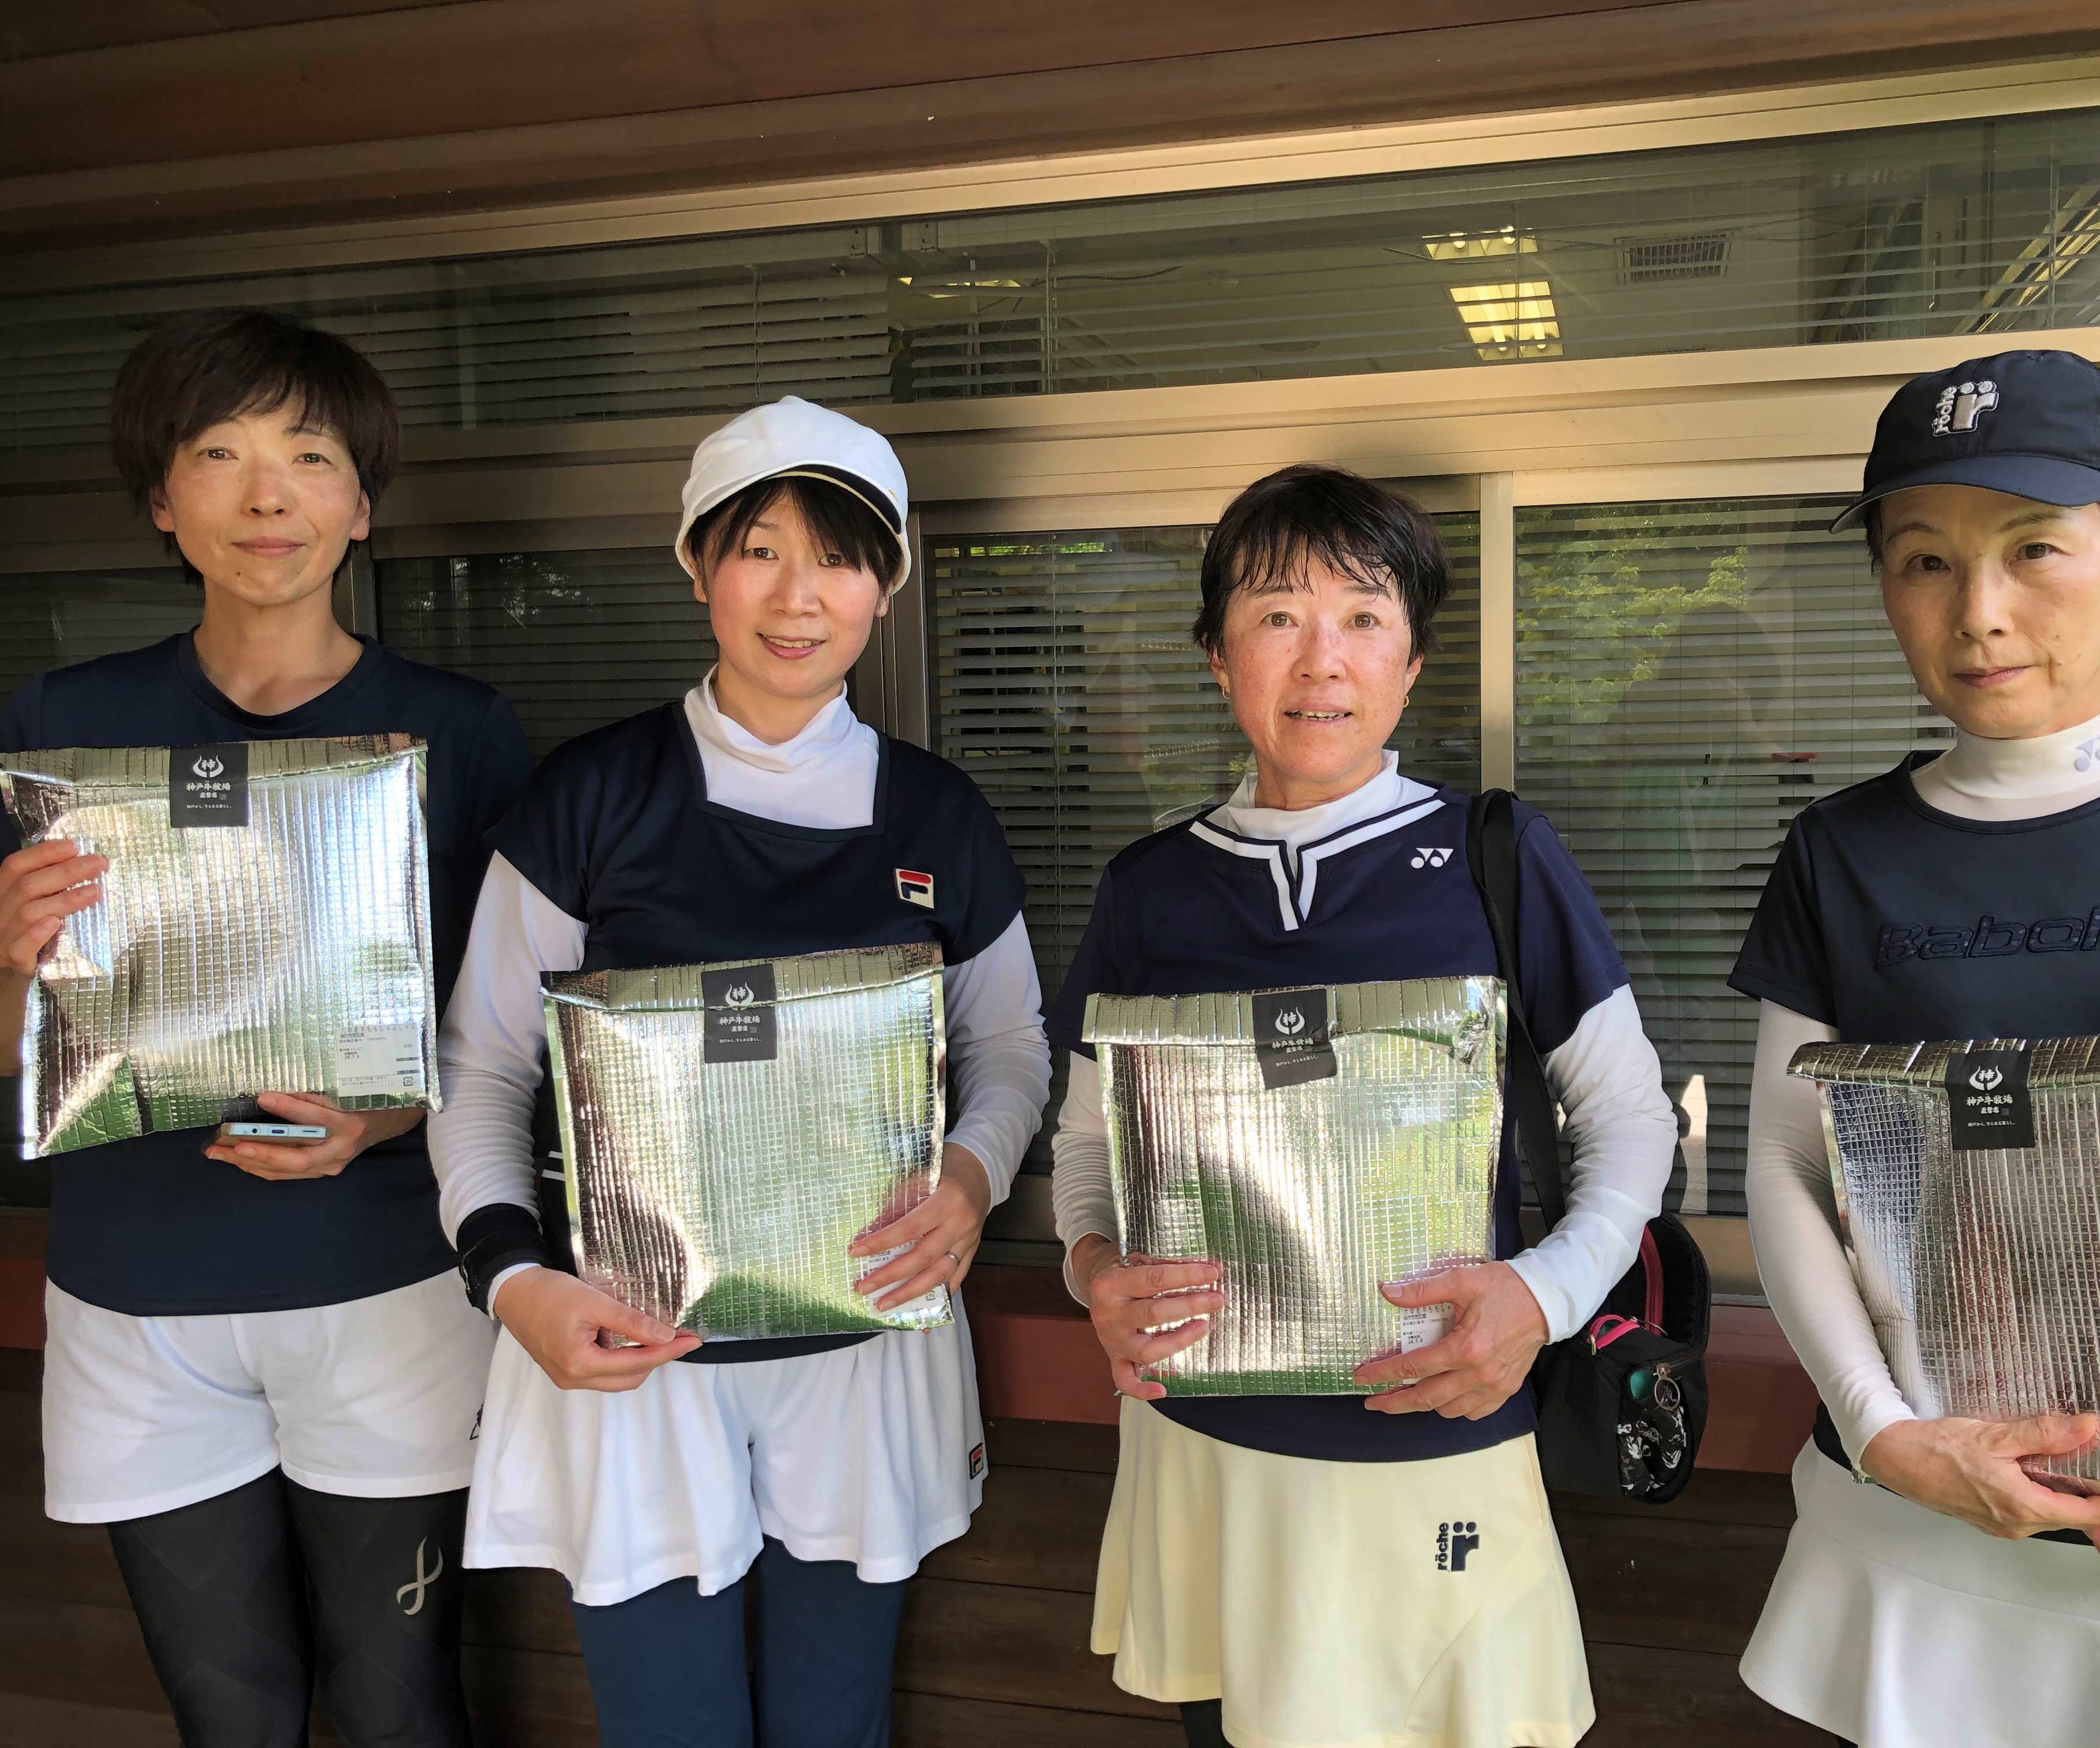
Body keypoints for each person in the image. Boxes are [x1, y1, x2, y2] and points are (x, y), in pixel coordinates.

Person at [1729, 349, 2100, 1747]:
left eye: (2033, 548)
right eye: (1924, 561)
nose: (1979, 612)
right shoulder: (1841, 851)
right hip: (1915, 1514)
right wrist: (1884, 1433)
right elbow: (1785, 1163)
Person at [430, 397, 1051, 1748]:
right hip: (629, 1349)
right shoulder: (591, 798)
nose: (797, 595)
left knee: (837, 1717)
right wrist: (512, 1279)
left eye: (837, 558)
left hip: (865, 1344)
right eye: (759, 550)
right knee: (669, 1723)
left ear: (884, 585)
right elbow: (483, 1065)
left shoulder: (939, 813)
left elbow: (1009, 1045)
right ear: (700, 566)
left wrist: (971, 1176)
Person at [1047, 464, 1678, 1748]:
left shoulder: (1496, 857)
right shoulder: (1150, 890)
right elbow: (1086, 1144)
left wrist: (1544, 1298)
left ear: (1411, 661)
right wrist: (1092, 1269)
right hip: (1203, 1443)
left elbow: (1629, 1117)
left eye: (1363, 617)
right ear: (1219, 656)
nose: (1320, 658)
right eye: (1277, 615)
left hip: (1437, 1428)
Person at [0, 308, 533, 1746]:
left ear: (361, 503)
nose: (266, 496)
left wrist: (386, 1118)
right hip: (134, 1286)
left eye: (309, 455)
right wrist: (8, 956)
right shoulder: (64, 723)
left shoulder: (458, 728)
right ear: (162, 501)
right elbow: (17, 1051)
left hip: (384, 1274)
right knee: (225, 1711)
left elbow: (509, 1039)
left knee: (401, 1698)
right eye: (219, 454)